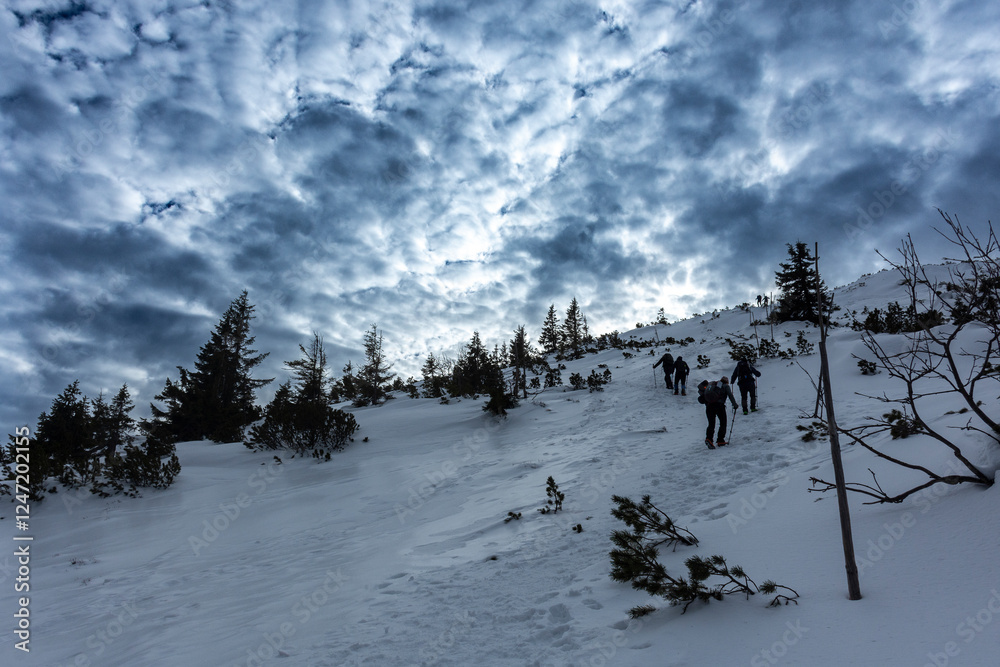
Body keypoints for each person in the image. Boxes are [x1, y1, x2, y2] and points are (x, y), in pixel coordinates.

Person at [697, 376, 738, 448]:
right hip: (719, 406)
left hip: (709, 406)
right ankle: (720, 440)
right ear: (726, 382)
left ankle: (709, 439)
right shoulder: (725, 386)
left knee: (711, 423)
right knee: (723, 422)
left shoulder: (712, 385)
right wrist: (735, 405)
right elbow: (730, 395)